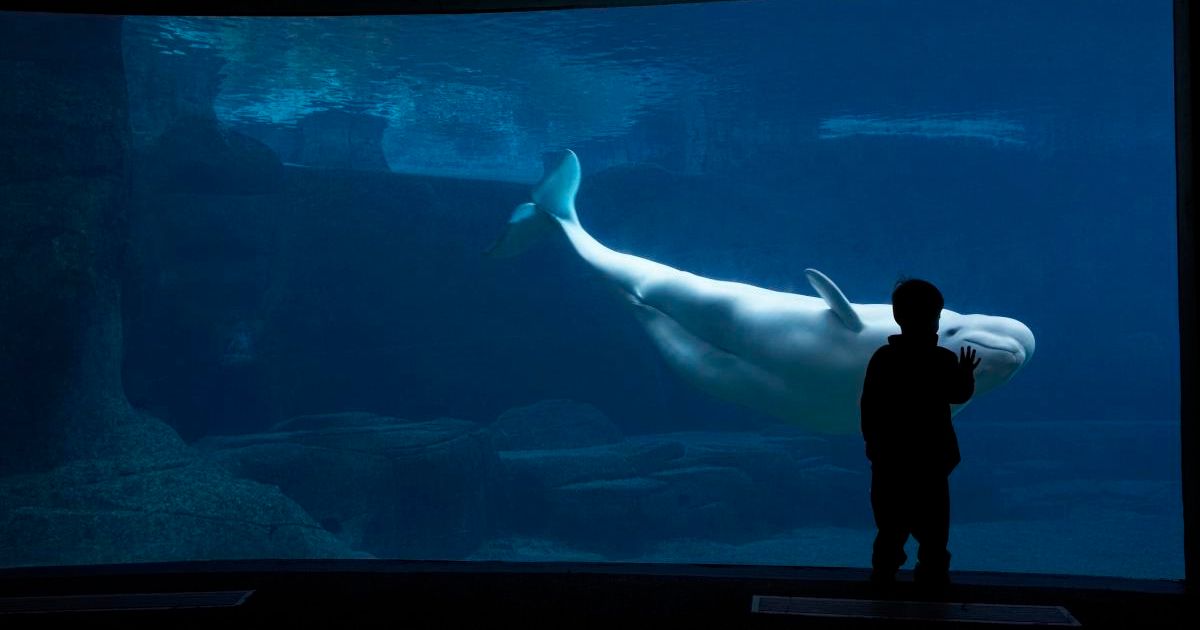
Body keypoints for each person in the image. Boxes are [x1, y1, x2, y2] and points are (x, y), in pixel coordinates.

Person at [860, 277, 979, 591]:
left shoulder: (883, 359)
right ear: (936, 319)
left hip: (891, 463)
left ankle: (882, 578)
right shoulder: (943, 360)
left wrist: (874, 448)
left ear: (899, 316)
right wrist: (966, 374)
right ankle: (933, 578)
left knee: (890, 529)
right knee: (934, 531)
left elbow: (868, 407)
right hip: (931, 463)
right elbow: (959, 394)